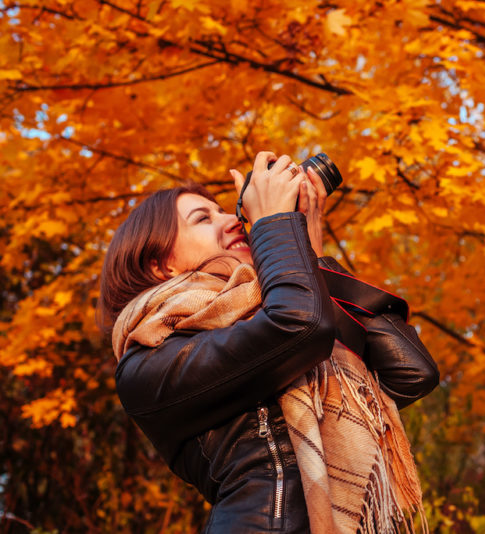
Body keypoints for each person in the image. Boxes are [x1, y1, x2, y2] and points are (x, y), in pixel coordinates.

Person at [98, 151, 439, 533]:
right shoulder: (148, 364)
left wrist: (310, 251)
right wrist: (276, 225)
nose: (232, 219)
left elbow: (411, 372)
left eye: (225, 209)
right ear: (161, 265)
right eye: (202, 218)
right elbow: (298, 326)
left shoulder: (280, 302)